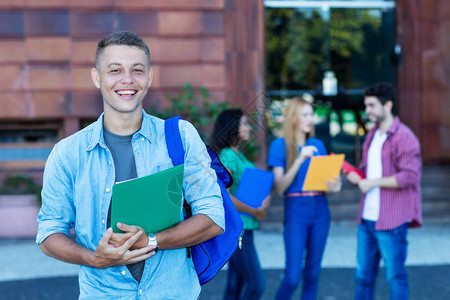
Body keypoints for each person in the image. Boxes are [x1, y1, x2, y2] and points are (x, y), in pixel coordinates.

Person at [36, 31, 225, 299]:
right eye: (115, 70)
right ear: (97, 77)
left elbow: (214, 217)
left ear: (149, 77)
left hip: (172, 292)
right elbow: (48, 233)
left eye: (137, 70)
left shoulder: (180, 137)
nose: (127, 80)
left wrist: (152, 240)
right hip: (102, 293)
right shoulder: (67, 153)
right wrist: (93, 258)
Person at [346, 83, 422, 300]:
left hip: (393, 219)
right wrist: (356, 177)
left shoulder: (404, 136)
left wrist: (372, 182)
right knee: (362, 277)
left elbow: (410, 176)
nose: (367, 110)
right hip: (367, 219)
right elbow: (366, 174)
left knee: (395, 277)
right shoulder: (372, 135)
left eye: (371, 105)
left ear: (387, 104)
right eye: (366, 105)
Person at [268, 96, 342, 300]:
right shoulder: (279, 145)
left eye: (311, 114)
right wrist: (300, 158)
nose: (310, 119)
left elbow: (328, 183)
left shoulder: (318, 144)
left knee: (312, 273)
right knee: (292, 277)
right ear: (293, 118)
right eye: (305, 114)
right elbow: (280, 187)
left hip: (320, 208)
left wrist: (335, 186)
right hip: (295, 209)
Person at [210, 109, 270, 300]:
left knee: (236, 283)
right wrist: (255, 210)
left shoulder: (238, 155)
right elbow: (224, 196)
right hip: (237, 228)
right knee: (256, 283)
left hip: (245, 226)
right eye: (243, 123)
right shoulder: (227, 155)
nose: (248, 127)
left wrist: (262, 200)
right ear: (232, 128)